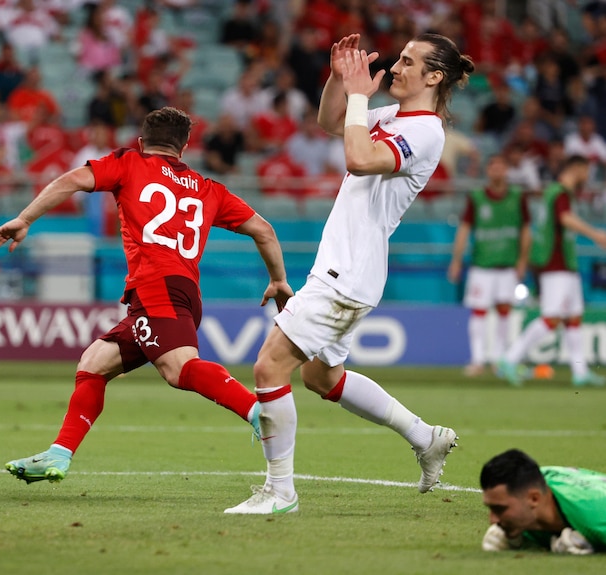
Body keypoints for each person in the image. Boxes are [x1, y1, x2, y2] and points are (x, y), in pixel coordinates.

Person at [225, 33, 474, 515]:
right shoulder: (394, 118)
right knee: (322, 377)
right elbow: (332, 122)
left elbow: (359, 160)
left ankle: (280, 493)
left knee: (268, 368)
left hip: (348, 273)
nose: (396, 68)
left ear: (434, 76)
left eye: (407, 61)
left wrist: (361, 94)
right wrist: (340, 81)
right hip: (347, 270)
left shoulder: (425, 132)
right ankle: (426, 437)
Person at [0, 106, 293, 485]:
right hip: (181, 291)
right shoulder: (209, 189)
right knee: (93, 364)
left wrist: (25, 218)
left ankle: (259, 412)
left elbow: (71, 180)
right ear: (184, 148)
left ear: (142, 142)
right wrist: (278, 280)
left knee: (179, 368)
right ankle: (60, 452)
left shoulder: (129, 163)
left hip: (156, 287)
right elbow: (264, 230)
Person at [497, 155, 606, 387]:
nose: (589, 176)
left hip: (565, 262)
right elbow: (565, 219)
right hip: (555, 263)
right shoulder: (560, 193)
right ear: (577, 168)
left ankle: (580, 372)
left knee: (574, 316)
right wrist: (596, 234)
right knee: (552, 317)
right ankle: (509, 359)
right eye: (587, 170)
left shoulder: (555, 192)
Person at [448, 154, 531, 376]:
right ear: (488, 171)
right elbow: (464, 229)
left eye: (501, 166)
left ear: (506, 170)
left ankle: (498, 359)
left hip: (507, 265)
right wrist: (456, 260)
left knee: (504, 311)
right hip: (481, 265)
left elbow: (525, 230)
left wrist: (523, 260)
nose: (497, 171)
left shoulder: (517, 197)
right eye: (493, 166)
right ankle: (477, 360)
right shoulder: (476, 197)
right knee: (479, 311)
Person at [480, 448, 606, 554]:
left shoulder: (595, 518)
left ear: (534, 499)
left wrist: (595, 545)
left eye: (500, 509)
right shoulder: (532, 483)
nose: (492, 521)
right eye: (490, 508)